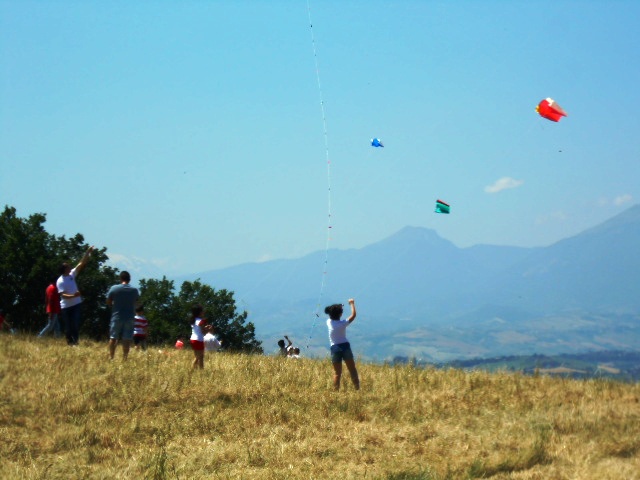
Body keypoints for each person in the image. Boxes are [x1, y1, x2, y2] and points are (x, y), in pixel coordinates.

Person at [57, 245, 94, 345]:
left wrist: (87, 252)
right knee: (68, 326)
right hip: (66, 306)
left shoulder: (72, 274)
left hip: (76, 304)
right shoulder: (60, 281)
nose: (70, 267)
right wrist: (74, 295)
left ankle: (75, 342)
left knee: (75, 324)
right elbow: (63, 295)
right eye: (68, 266)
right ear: (65, 269)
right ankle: (70, 342)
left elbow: (81, 264)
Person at [325, 298, 359, 391]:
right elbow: (353, 315)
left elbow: (333, 313)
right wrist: (352, 303)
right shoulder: (343, 323)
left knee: (337, 373)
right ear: (340, 314)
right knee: (352, 369)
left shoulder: (329, 322)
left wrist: (339, 307)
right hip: (345, 347)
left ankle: (335, 391)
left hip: (335, 348)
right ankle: (357, 389)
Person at [106, 271, 140, 360]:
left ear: (120, 278)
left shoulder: (114, 288)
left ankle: (111, 357)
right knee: (126, 339)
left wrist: (113, 305)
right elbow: (137, 303)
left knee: (113, 337)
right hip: (129, 317)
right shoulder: (134, 290)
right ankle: (125, 358)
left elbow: (108, 301)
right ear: (129, 279)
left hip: (116, 316)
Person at [189, 304, 212, 369]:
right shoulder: (201, 321)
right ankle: (199, 369)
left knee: (197, 356)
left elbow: (197, 329)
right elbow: (203, 331)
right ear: (200, 312)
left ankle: (194, 369)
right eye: (202, 311)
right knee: (200, 357)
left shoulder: (193, 320)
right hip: (199, 339)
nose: (203, 312)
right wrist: (208, 329)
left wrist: (205, 328)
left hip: (193, 339)